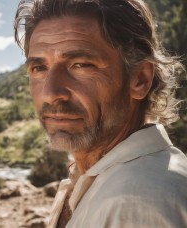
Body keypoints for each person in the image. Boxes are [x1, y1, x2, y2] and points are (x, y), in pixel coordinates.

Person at [14, 0, 187, 227]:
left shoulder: (136, 203)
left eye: (80, 65)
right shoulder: (99, 177)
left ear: (140, 79)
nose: (50, 93)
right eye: (39, 68)